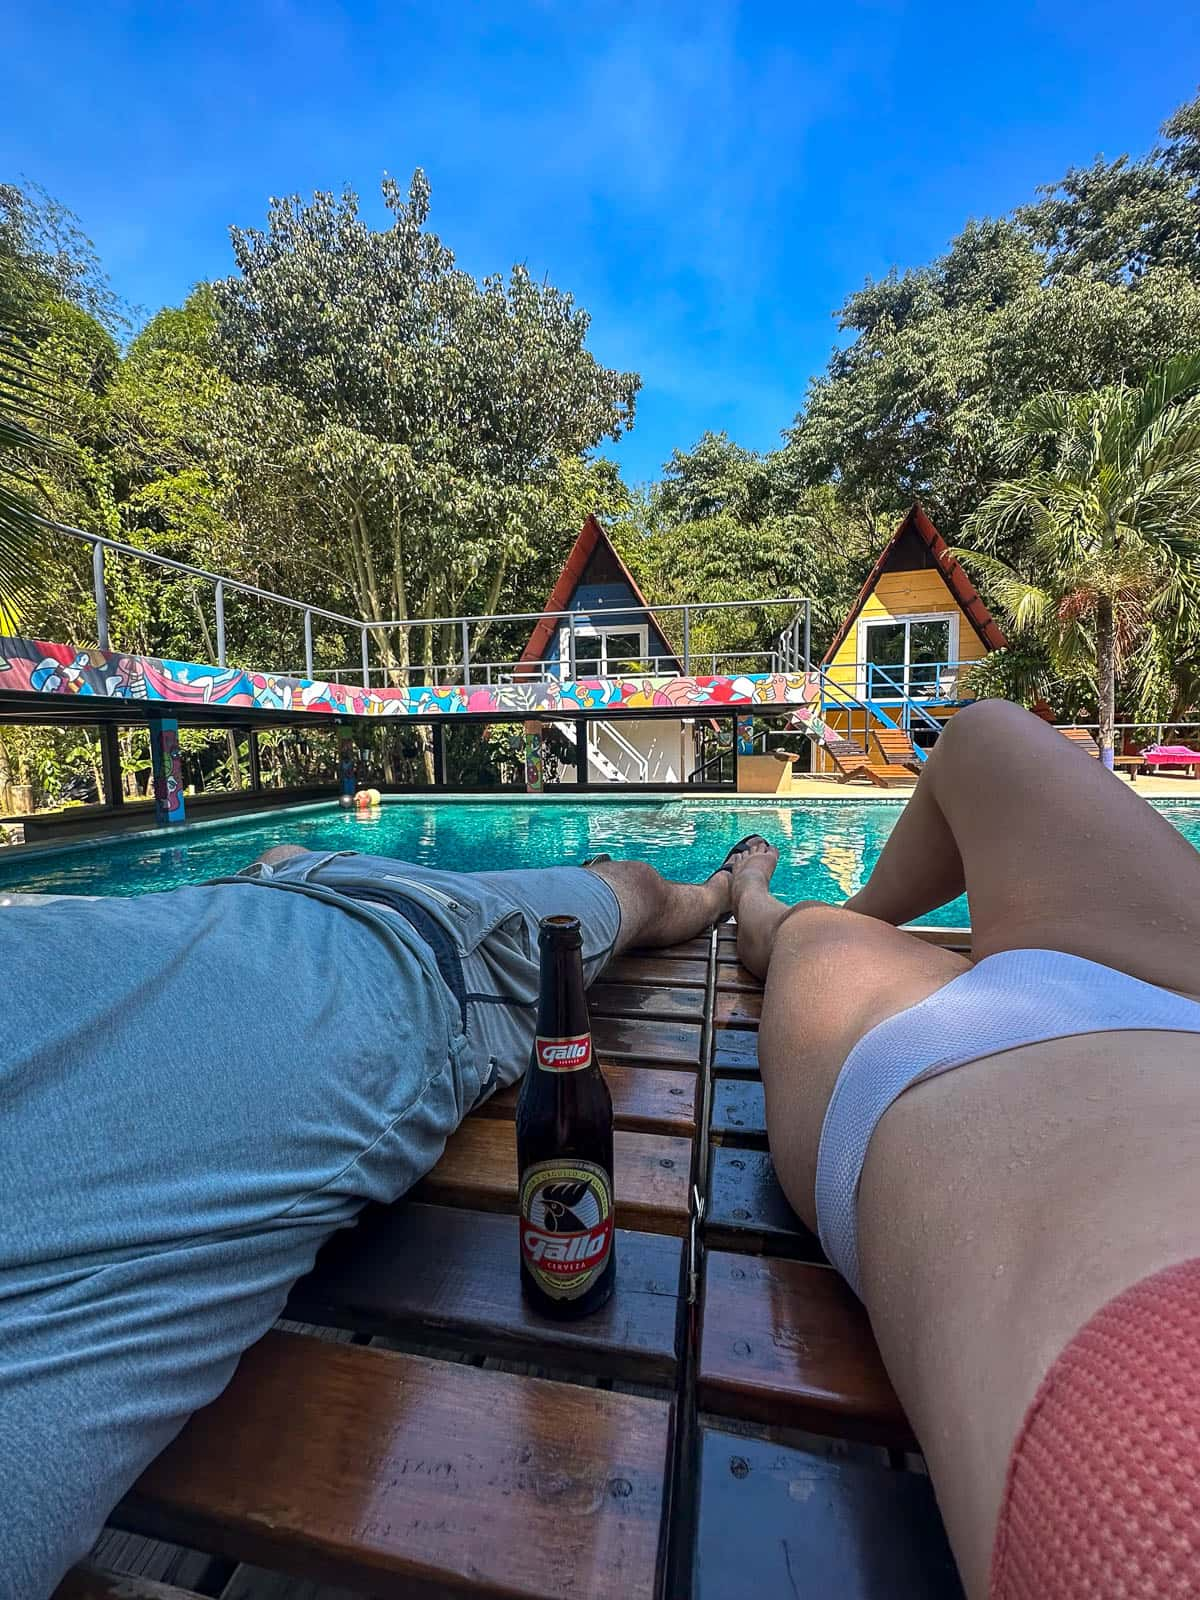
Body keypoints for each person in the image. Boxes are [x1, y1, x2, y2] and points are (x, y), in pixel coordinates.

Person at [0, 840, 739, 1599]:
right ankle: (712, 885)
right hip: (403, 928)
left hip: (330, 902)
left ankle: (723, 894)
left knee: (631, 888)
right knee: (631, 885)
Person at [728, 700, 1200, 1599]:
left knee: (800, 932)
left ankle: (771, 900)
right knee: (985, 738)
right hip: (1169, 995)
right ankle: (847, 919)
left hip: (971, 1068)